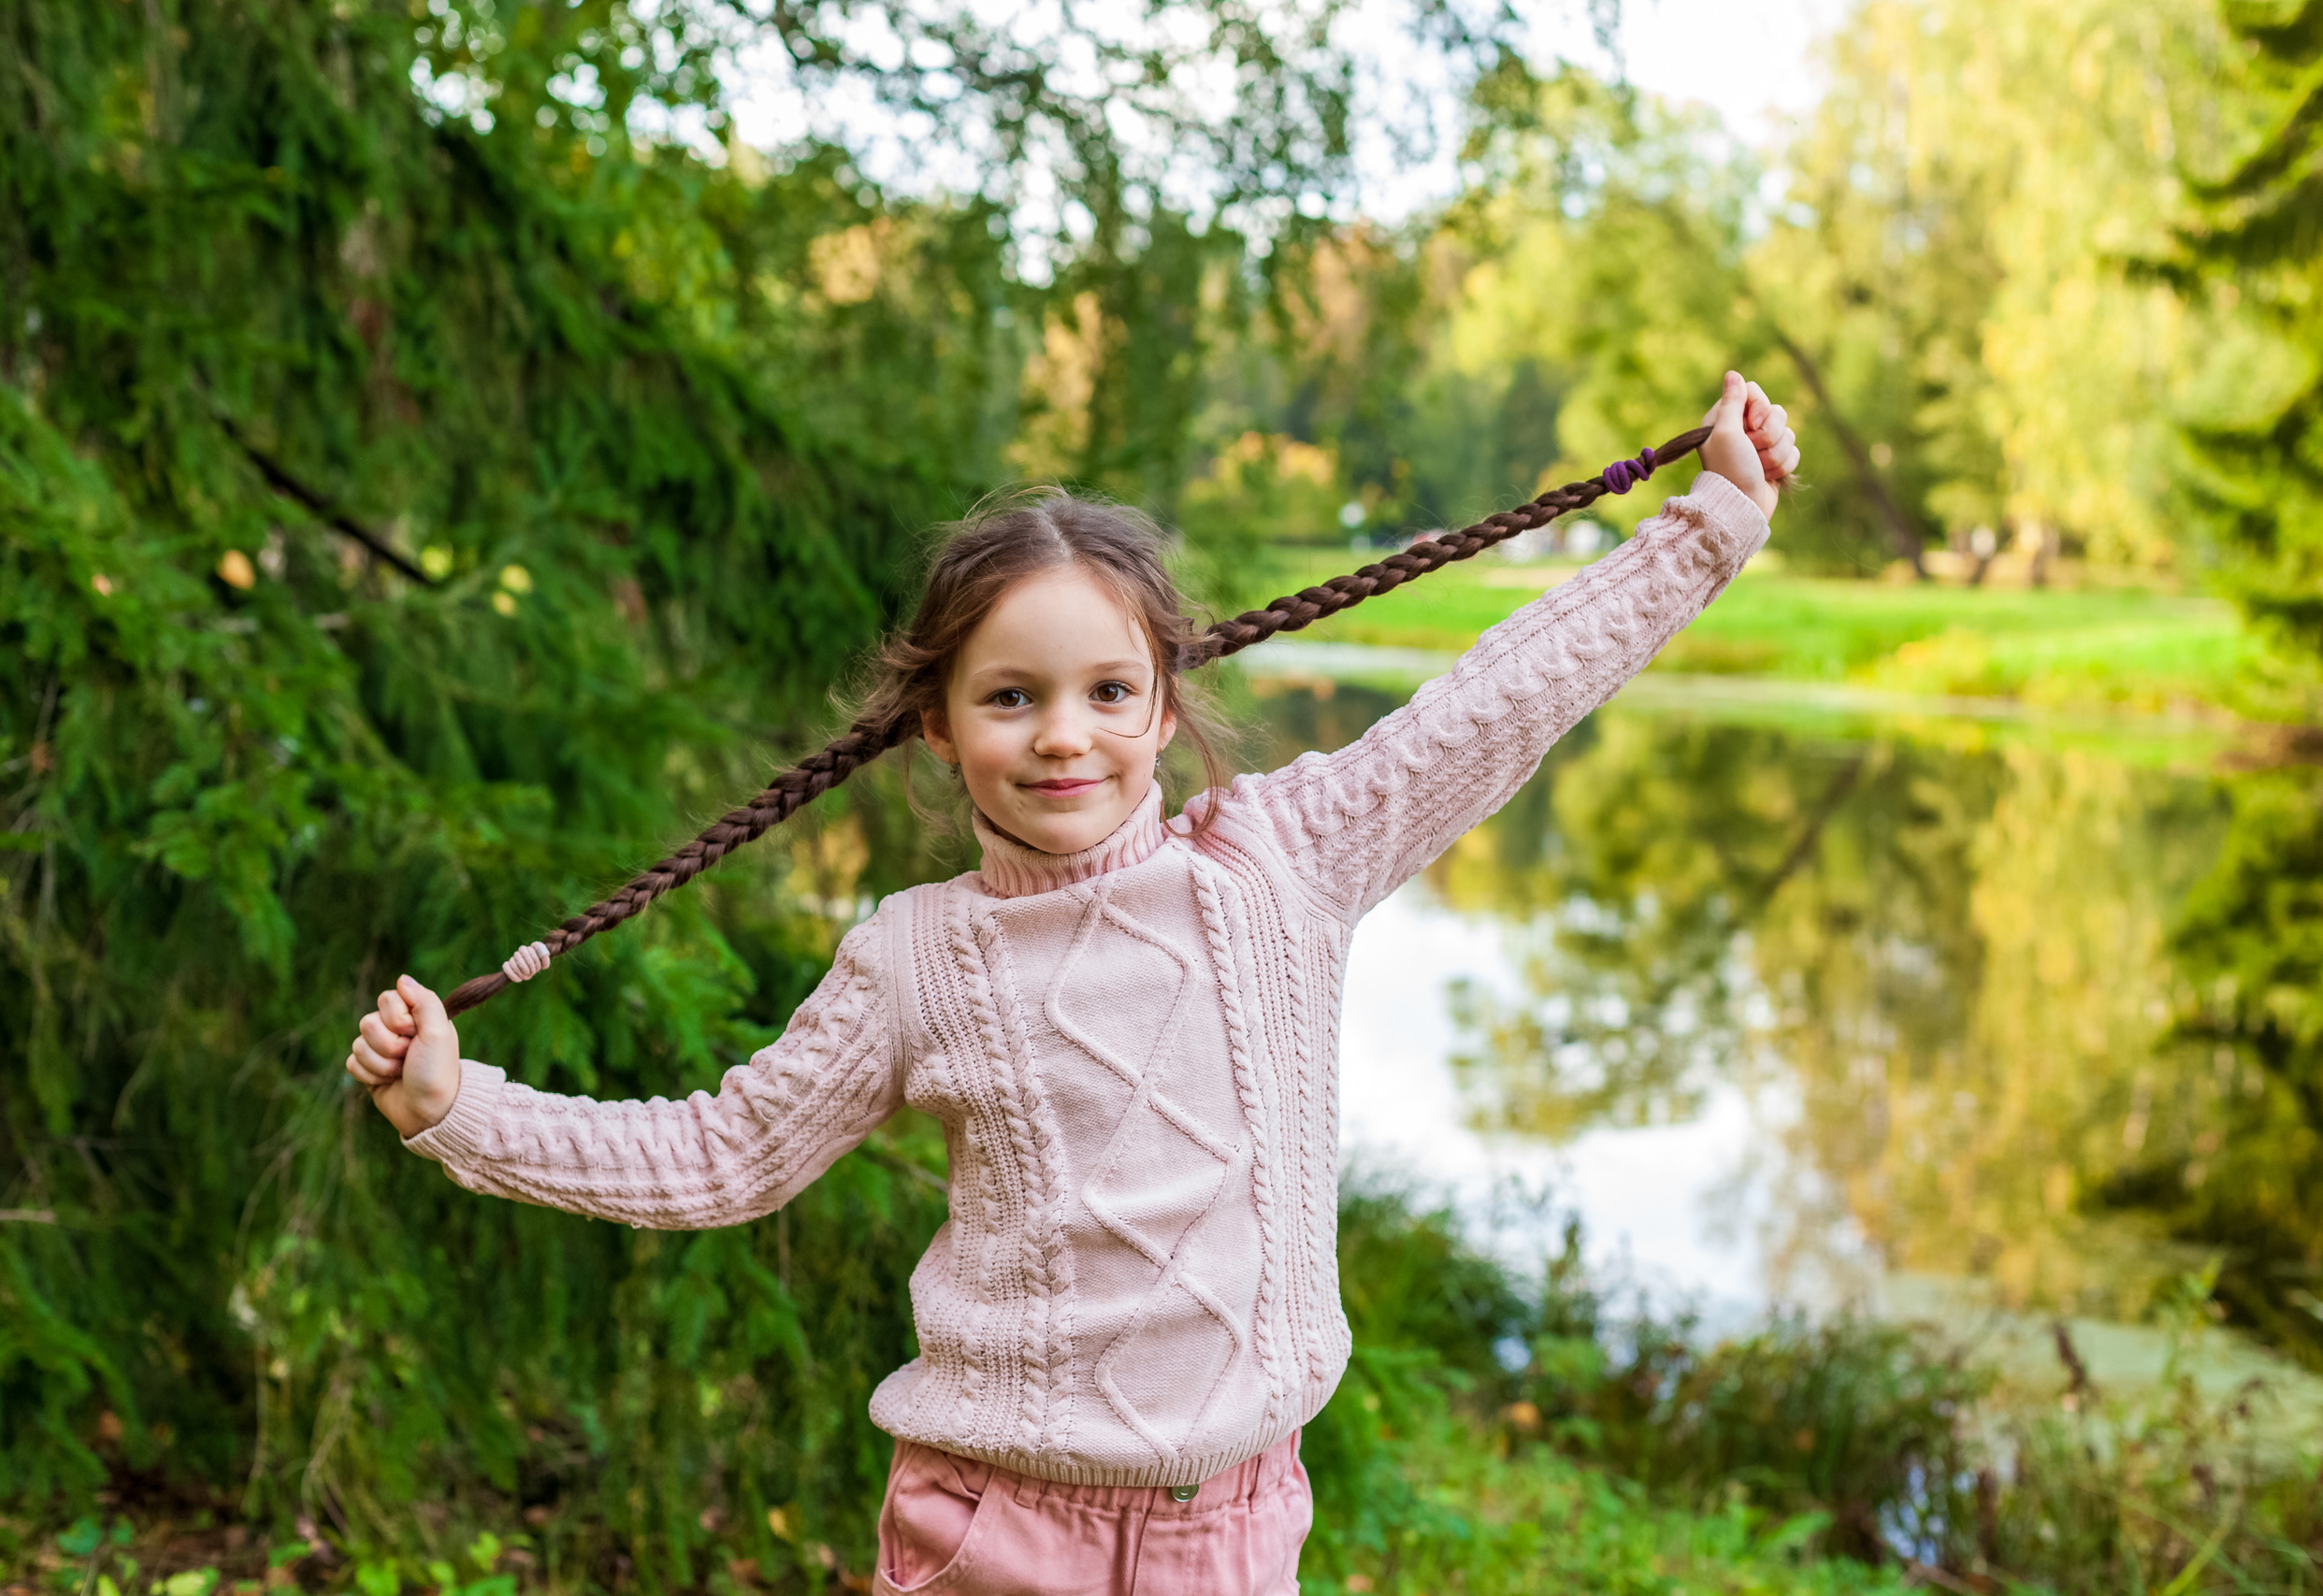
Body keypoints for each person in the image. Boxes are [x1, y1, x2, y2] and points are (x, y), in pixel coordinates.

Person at [345, 373, 1799, 1595]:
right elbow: (728, 1152)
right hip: (995, 1533)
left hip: (1230, 1539)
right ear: (936, 723)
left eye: (1107, 692)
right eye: (1010, 696)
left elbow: (1500, 700)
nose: (1064, 738)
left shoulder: (1281, 865)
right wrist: (460, 1107)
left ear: (1165, 703)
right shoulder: (916, 958)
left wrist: (1711, 522)